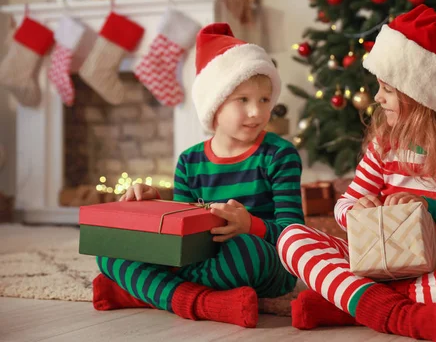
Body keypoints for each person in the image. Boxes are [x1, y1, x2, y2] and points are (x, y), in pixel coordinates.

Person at [277, 5, 436, 342]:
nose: (377, 98)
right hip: (374, 264)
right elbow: (344, 206)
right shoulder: (384, 143)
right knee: (291, 238)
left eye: (388, 90)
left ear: (423, 96)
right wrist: (357, 209)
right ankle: (401, 313)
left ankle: (348, 306)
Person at [92, 23, 304, 328]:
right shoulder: (190, 160)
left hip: (260, 258)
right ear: (214, 104)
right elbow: (181, 234)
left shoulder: (279, 155)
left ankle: (144, 291)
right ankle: (205, 302)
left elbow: (295, 235)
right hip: (202, 258)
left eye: (264, 100)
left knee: (245, 252)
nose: (257, 112)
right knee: (109, 253)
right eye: (242, 100)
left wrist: (249, 225)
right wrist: (154, 208)